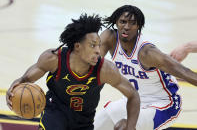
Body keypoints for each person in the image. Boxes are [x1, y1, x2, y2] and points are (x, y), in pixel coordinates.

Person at [6, 14, 140, 130]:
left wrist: (131, 125)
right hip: (55, 112)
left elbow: (133, 95)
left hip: (84, 121)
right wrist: (14, 87)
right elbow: (24, 79)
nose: (98, 51)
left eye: (99, 45)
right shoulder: (53, 59)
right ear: (77, 47)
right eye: (93, 45)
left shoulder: (105, 70)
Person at [94, 5, 197, 130]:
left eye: (132, 23)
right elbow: (93, 64)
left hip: (163, 105)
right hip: (132, 101)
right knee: (95, 125)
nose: (126, 27)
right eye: (123, 22)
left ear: (138, 26)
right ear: (116, 22)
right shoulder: (110, 38)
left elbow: (185, 72)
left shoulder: (147, 53)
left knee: (124, 126)